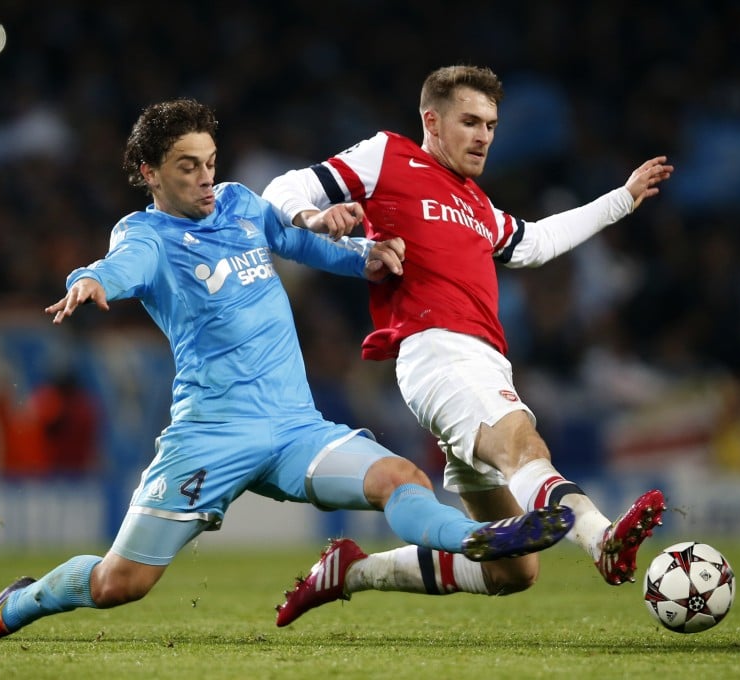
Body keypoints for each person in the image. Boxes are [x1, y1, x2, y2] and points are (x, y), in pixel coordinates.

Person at [0, 98, 575, 640]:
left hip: (293, 427)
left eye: (210, 163)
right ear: (149, 172)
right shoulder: (148, 235)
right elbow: (121, 264)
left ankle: (471, 540)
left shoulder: (241, 206)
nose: (205, 179)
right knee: (121, 582)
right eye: (187, 167)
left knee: (399, 476)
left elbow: (302, 243)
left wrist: (366, 256)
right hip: (211, 436)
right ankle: (18, 602)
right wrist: (89, 280)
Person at [262, 65, 673, 626]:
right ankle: (602, 539)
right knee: (521, 442)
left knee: (513, 569)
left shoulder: (476, 204)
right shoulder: (388, 156)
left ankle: (352, 571)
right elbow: (282, 188)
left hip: (483, 365)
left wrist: (622, 199)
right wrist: (315, 216)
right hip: (437, 352)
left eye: (492, 125)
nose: (484, 136)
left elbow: (537, 242)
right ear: (432, 120)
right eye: (471, 122)